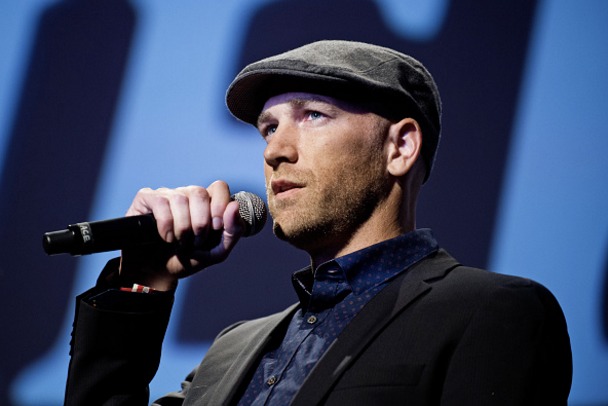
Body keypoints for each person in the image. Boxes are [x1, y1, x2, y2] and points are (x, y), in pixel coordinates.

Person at [64, 40, 572, 405]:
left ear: (400, 146)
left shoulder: (490, 311)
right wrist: (143, 279)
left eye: (313, 115)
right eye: (268, 128)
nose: (275, 151)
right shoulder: (232, 349)